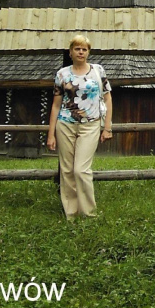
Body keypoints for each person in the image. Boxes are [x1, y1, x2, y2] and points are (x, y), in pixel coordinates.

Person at [47, 35, 113, 218]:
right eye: (77, 49)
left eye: (84, 49)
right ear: (70, 52)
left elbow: (107, 98)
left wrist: (107, 128)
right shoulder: (62, 74)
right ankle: (71, 213)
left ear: (88, 52)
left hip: (90, 125)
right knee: (67, 170)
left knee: (81, 169)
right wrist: (50, 134)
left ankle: (88, 213)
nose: (81, 52)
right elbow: (55, 105)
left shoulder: (98, 71)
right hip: (65, 124)